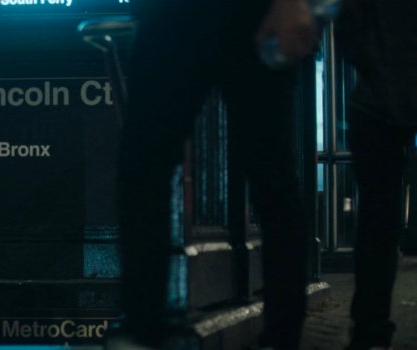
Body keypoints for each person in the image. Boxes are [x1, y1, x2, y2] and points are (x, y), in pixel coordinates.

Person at [117, 0, 318, 348]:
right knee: (145, 167)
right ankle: (143, 325)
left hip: (233, 14)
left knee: (270, 176)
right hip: (196, 14)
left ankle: (143, 326)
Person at [336, 0, 417, 348]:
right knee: (379, 221)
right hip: (382, 98)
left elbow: (349, 26)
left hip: (375, 101)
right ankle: (370, 326)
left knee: (377, 222)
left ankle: (370, 327)